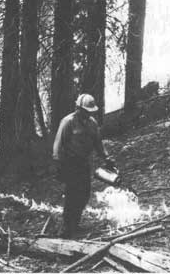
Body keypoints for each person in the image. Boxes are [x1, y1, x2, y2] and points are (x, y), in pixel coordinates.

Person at [52, 94, 115, 239]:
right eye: (86, 111)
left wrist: (107, 158)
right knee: (72, 195)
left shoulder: (92, 123)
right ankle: (67, 228)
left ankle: (75, 223)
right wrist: (58, 165)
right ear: (78, 108)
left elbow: (98, 143)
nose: (88, 114)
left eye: (90, 111)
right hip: (69, 163)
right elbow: (58, 145)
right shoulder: (68, 122)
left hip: (84, 163)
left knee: (84, 194)